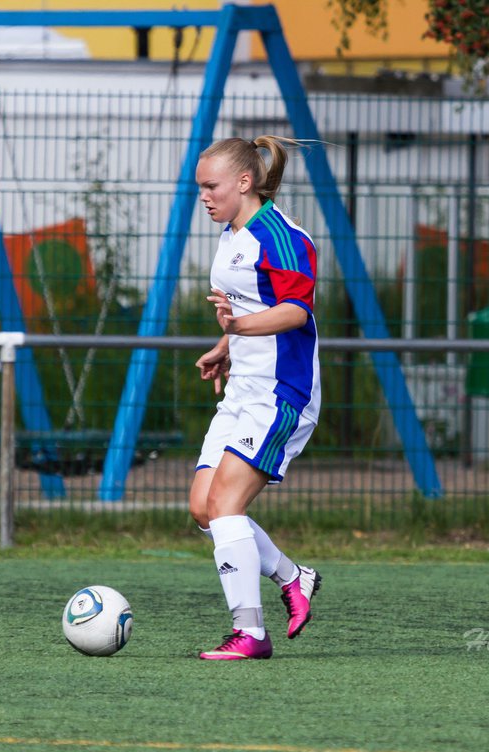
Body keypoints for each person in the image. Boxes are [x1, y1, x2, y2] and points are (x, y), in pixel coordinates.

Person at [190, 136, 322, 661]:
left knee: (226, 506)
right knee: (204, 509)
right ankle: (294, 577)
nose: (204, 196)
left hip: (281, 390)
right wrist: (227, 344)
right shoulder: (232, 232)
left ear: (244, 183)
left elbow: (296, 311)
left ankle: (251, 633)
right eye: (200, 186)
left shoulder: (283, 236)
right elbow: (251, 303)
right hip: (243, 387)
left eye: (211, 186)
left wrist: (239, 326)